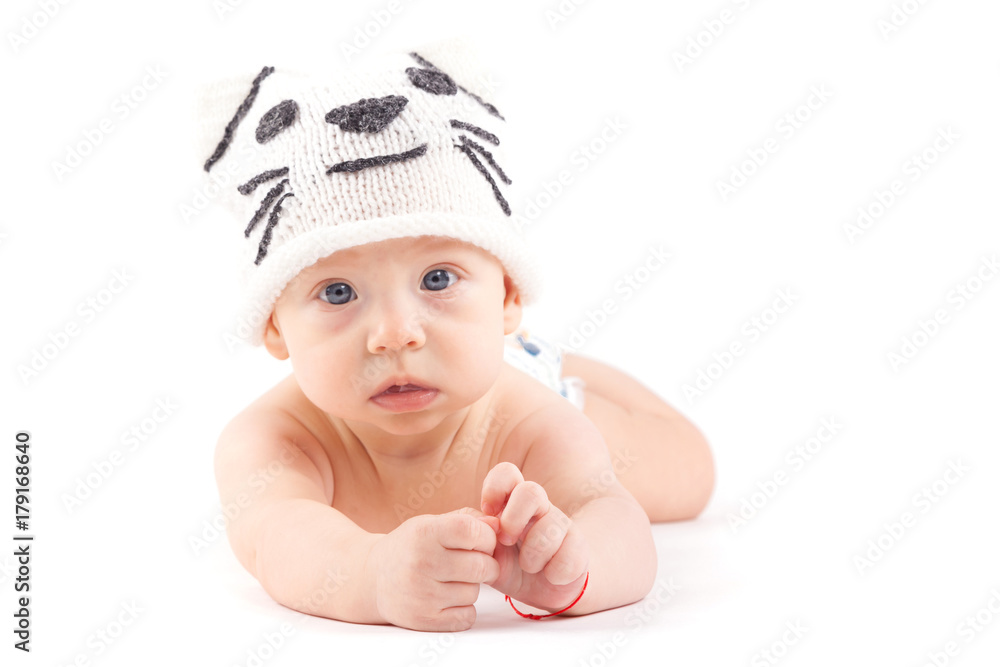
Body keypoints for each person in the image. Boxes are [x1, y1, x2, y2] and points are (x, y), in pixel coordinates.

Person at [202, 37, 714, 632]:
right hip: (483, 356)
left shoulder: (531, 421)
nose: (394, 335)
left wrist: (575, 567)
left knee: (687, 473)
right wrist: (374, 574)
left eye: (438, 278)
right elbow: (277, 537)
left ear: (507, 297)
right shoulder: (271, 442)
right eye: (338, 292)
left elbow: (615, 521)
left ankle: (559, 363)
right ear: (274, 327)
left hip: (532, 380)